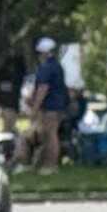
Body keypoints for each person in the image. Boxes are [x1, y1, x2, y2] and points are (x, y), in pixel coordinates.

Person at [24, 37, 67, 171]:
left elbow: (43, 89)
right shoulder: (56, 65)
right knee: (47, 135)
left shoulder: (47, 67)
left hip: (51, 107)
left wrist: (34, 108)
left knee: (51, 135)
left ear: (44, 52)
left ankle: (51, 165)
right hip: (57, 106)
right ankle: (43, 163)